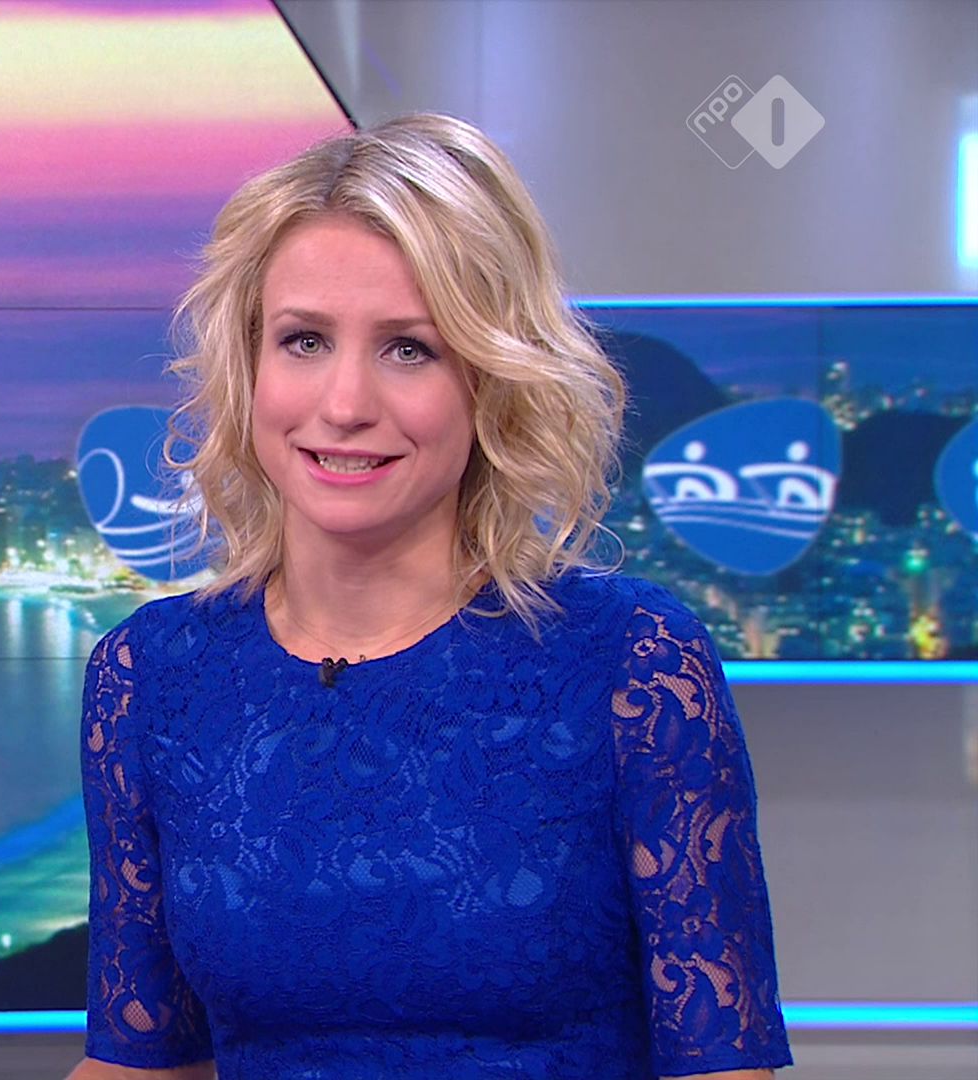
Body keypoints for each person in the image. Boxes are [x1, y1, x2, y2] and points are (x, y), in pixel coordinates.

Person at [67, 114, 793, 1080]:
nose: (344, 405)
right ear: (247, 369)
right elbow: (143, 1062)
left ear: (491, 380)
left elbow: (721, 1067)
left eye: (410, 349)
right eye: (304, 340)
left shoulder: (634, 661)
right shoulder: (150, 676)